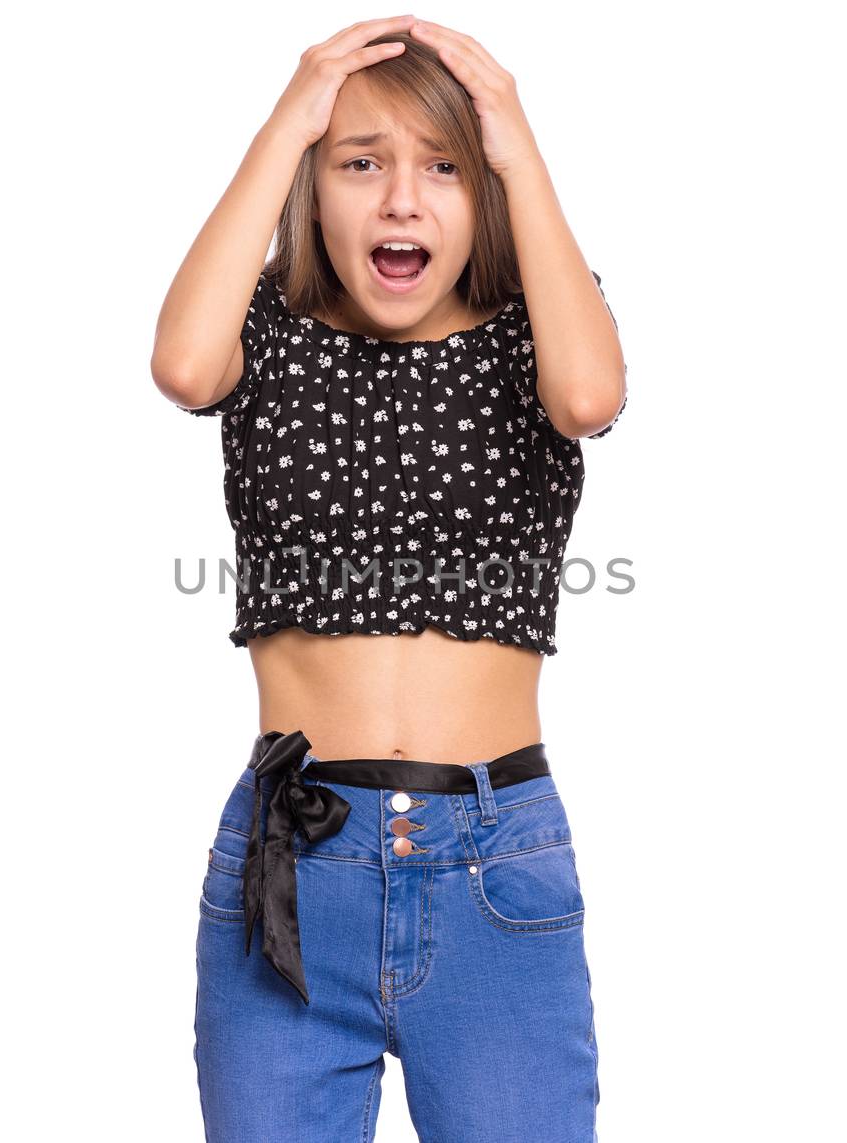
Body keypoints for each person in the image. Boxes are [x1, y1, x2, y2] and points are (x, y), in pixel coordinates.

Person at [152, 16, 626, 1141]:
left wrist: (513, 136)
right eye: (362, 163)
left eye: (444, 167)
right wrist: (291, 116)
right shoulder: (263, 331)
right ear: (314, 187)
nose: (402, 201)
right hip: (291, 869)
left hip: (491, 863)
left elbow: (588, 400)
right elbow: (179, 365)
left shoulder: (533, 331)